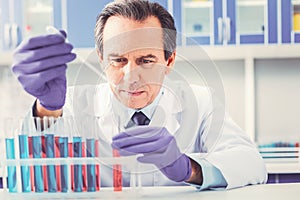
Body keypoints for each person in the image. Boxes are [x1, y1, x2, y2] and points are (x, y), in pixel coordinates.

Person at [11, 0, 267, 190]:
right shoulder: (71, 106)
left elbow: (251, 163)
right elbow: (27, 178)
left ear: (169, 60)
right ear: (101, 59)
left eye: (146, 60)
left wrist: (190, 168)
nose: (131, 75)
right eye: (118, 60)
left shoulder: (200, 102)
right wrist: (46, 109)